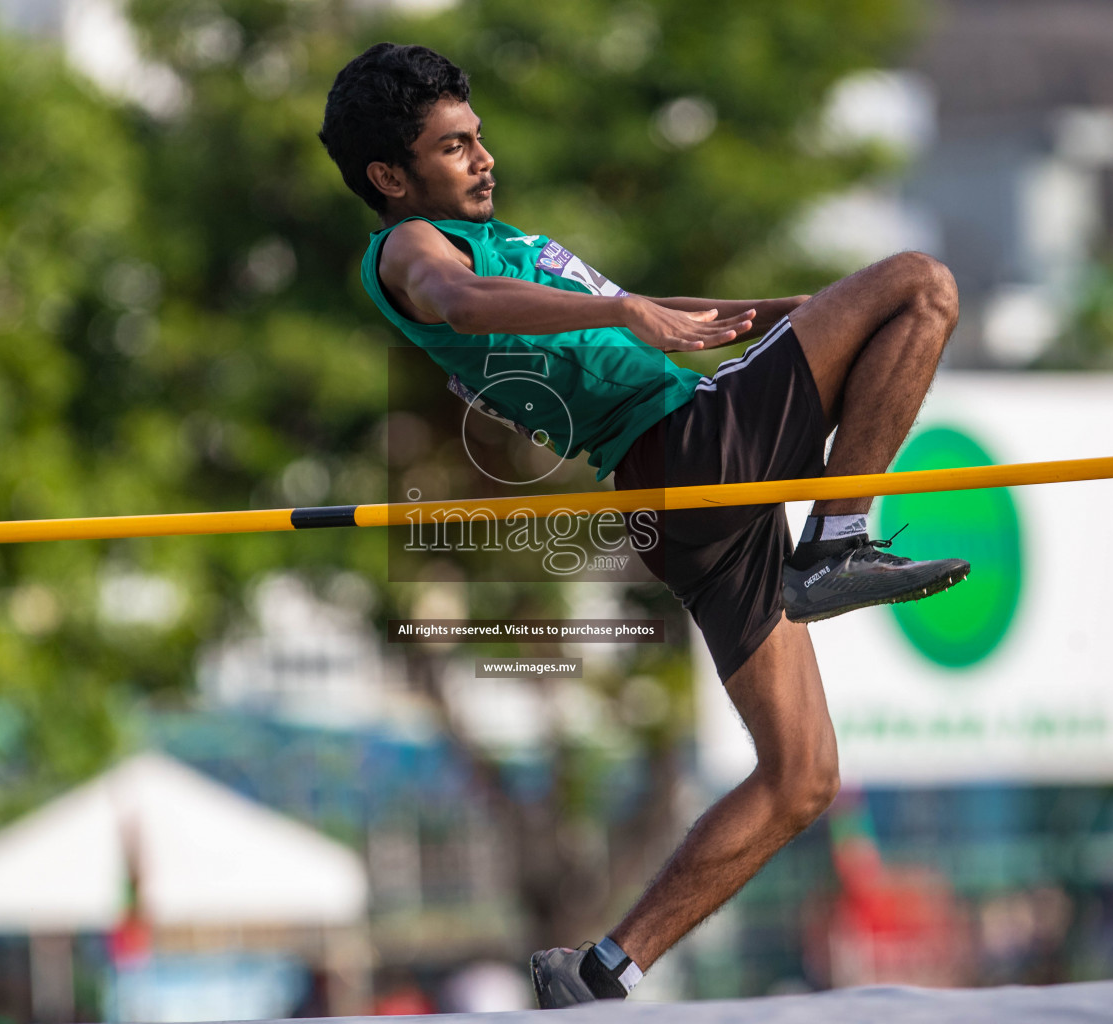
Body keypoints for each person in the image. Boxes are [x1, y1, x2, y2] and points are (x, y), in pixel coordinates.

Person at [319, 43, 969, 1008]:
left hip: (686, 499)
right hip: (687, 450)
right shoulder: (409, 249)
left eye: (478, 137)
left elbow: (674, 323)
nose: (483, 157)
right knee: (921, 283)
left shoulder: (502, 245)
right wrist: (626, 310)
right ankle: (836, 540)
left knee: (801, 779)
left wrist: (792, 314)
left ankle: (601, 968)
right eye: (455, 147)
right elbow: (458, 301)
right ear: (390, 175)